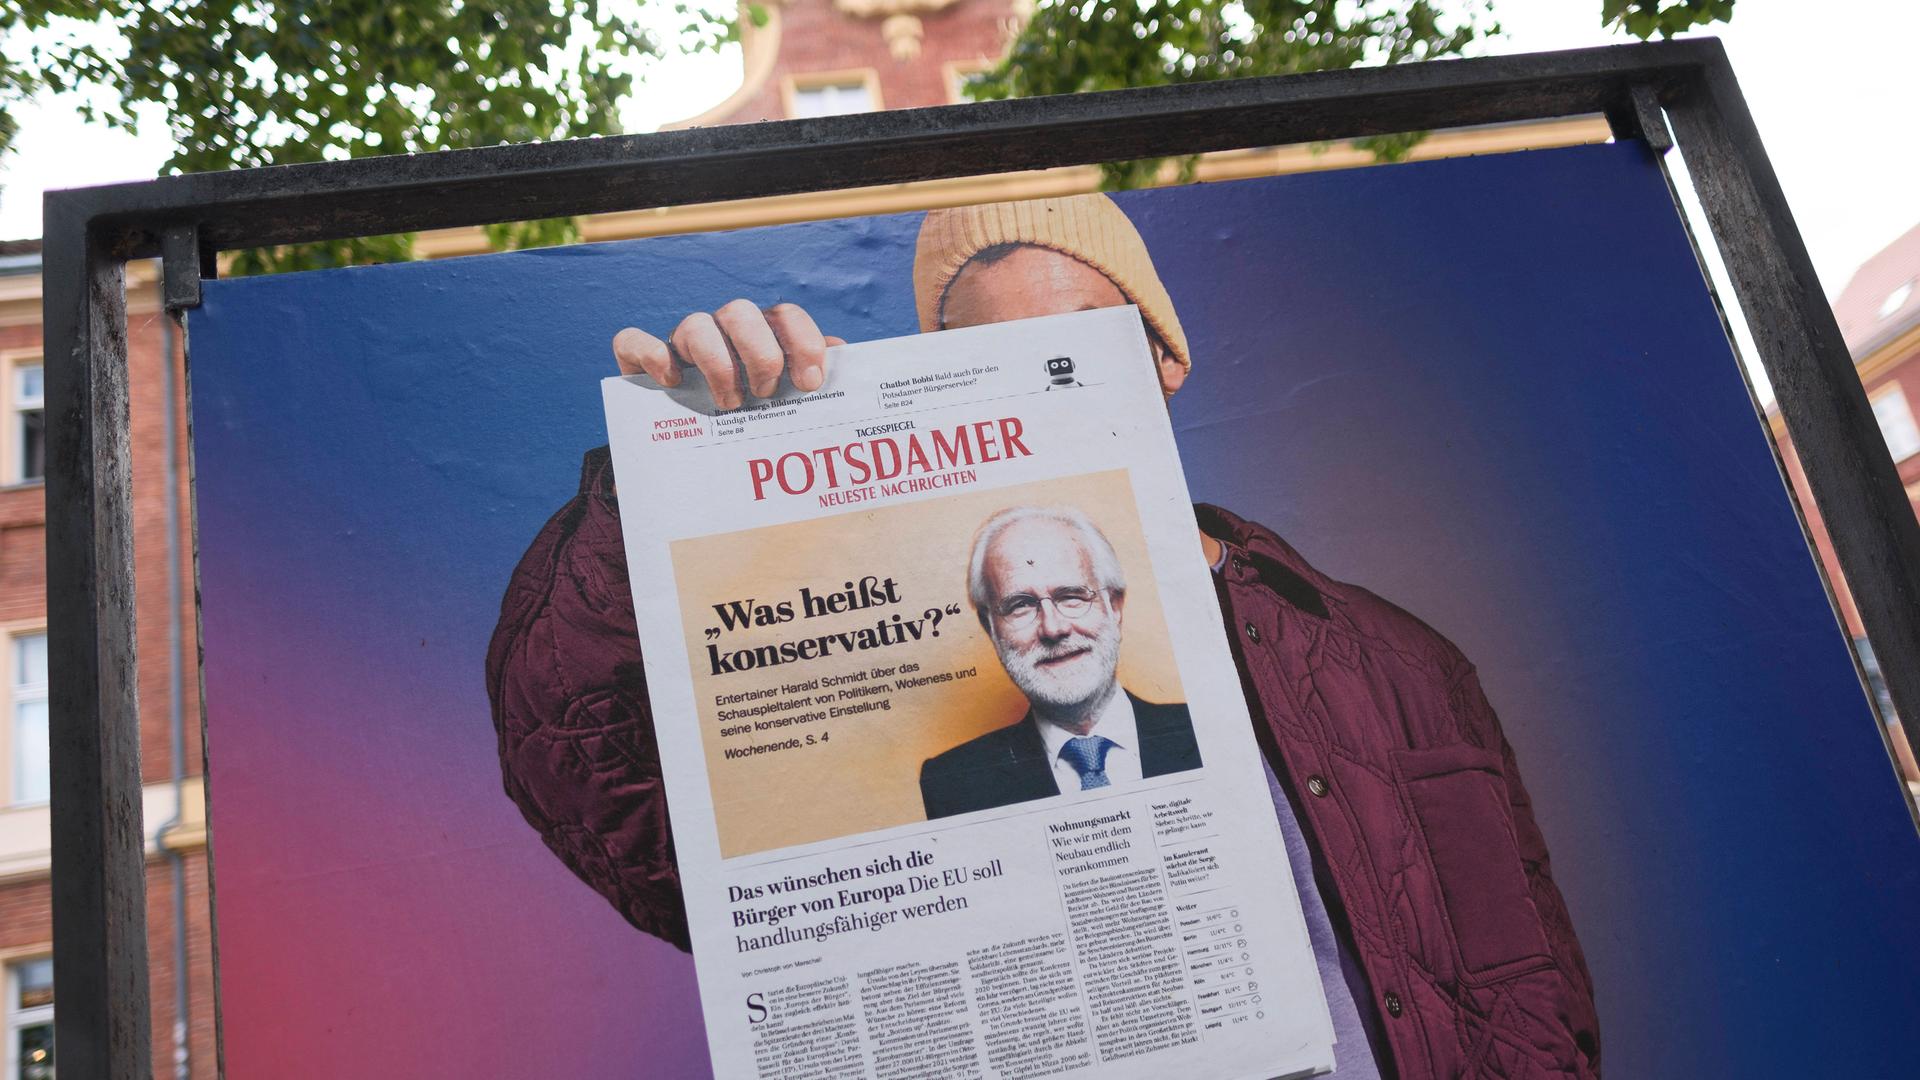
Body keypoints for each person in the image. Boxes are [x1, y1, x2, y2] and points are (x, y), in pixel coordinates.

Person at [488, 194, 1601, 1077]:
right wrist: (658, 489)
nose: (1048, 393)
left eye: (1076, 351)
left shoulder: (1390, 657)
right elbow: (605, 789)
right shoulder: (906, 683)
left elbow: (1527, 978)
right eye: (1002, 363)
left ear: (1164, 361)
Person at [920, 505, 1200, 819]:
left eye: (1072, 596)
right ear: (991, 630)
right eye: (1020, 605)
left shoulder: (1206, 731)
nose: (1053, 628)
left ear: (1115, 607)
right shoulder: (953, 786)